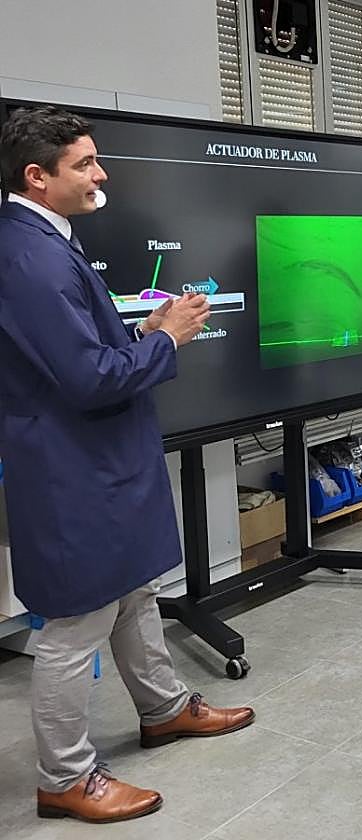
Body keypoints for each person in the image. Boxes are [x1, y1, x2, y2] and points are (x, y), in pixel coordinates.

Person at [0, 105, 255, 824]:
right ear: (37, 177)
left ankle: (165, 708)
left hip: (100, 461)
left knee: (135, 594)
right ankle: (66, 777)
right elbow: (85, 379)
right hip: (71, 469)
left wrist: (141, 331)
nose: (100, 173)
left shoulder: (47, 240)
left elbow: (80, 349)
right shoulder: (27, 255)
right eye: (84, 163)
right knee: (75, 624)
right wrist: (167, 340)